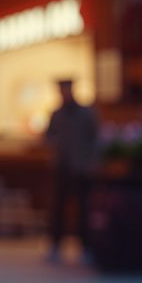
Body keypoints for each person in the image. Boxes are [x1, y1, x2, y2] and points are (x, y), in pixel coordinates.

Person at [44, 78, 99, 262]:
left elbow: (95, 139)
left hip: (81, 167)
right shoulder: (57, 114)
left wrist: (91, 161)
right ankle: (55, 245)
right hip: (62, 166)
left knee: (83, 208)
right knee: (57, 208)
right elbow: (48, 136)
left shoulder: (85, 113)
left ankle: (86, 246)